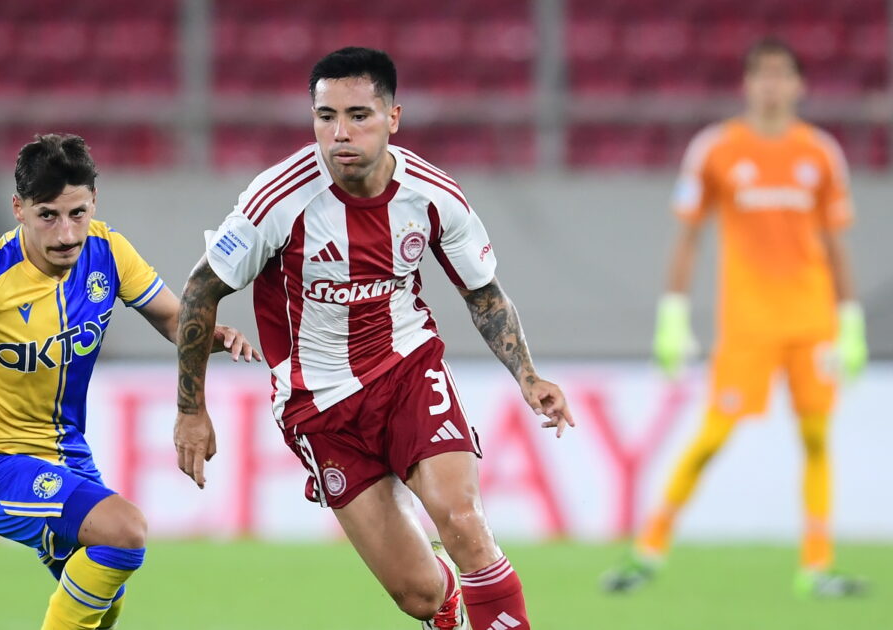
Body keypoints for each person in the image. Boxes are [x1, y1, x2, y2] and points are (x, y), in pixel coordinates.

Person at [174, 47, 574, 630]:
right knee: (419, 595)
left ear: (393, 117)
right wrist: (191, 410)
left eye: (358, 115)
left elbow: (483, 294)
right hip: (318, 404)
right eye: (326, 116)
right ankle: (449, 605)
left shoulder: (433, 196)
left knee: (463, 523)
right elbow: (199, 290)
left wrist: (528, 375)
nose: (340, 133)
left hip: (408, 369)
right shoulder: (276, 200)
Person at [0, 133, 260, 629]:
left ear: (94, 202)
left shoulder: (108, 252)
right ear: (18, 209)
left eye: (77, 213)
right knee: (125, 532)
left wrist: (210, 334)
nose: (66, 234)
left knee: (106, 599)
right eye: (48, 215)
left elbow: (174, 320)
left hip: (67, 454)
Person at [602, 38, 869, 597]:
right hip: (748, 324)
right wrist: (672, 316)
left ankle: (816, 567)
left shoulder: (820, 153)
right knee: (711, 438)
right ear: (747, 83)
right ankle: (648, 552)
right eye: (762, 74)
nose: (772, 85)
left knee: (816, 438)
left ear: (799, 84)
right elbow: (689, 236)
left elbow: (836, 243)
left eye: (782, 74)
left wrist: (850, 322)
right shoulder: (717, 149)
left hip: (812, 321)